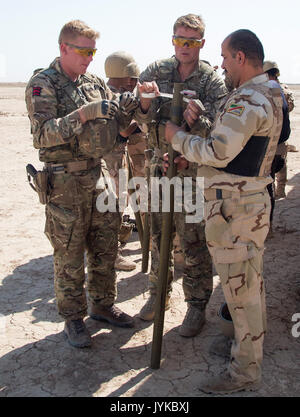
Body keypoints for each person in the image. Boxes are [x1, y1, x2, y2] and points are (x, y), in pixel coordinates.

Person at [165, 29, 283, 394]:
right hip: (248, 204)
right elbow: (240, 154)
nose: (221, 63)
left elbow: (219, 152)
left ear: (242, 58)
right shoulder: (269, 91)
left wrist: (177, 138)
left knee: (241, 290)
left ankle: (244, 371)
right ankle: (245, 349)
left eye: (225, 56)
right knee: (249, 285)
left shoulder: (247, 98)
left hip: (237, 211)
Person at [25, 20, 138, 348]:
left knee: (106, 244)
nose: (89, 58)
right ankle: (73, 319)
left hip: (98, 174)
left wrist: (135, 105)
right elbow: (42, 134)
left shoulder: (94, 82)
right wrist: (82, 116)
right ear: (64, 48)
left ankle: (103, 305)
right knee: (69, 252)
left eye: (93, 52)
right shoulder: (43, 83)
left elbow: (115, 121)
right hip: (63, 180)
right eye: (83, 51)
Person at [135, 14, 227, 337]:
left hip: (191, 173)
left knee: (193, 240)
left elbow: (218, 127)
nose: (184, 47)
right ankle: (157, 296)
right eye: (179, 40)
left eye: (191, 42)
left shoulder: (211, 82)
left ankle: (197, 304)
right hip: (159, 169)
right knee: (159, 235)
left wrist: (197, 123)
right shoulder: (156, 71)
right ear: (172, 40)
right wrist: (145, 105)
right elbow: (137, 116)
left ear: (202, 44)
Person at [104, 51, 147, 271]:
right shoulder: (117, 97)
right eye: (134, 79)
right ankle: (112, 255)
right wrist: (136, 126)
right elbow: (120, 130)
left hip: (111, 158)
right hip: (112, 159)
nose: (134, 84)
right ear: (128, 77)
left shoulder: (100, 92)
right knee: (115, 205)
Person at [263, 61, 295, 199]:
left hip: (271, 142)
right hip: (281, 140)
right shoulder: (283, 89)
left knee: (268, 179)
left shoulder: (268, 90)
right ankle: (280, 191)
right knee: (281, 167)